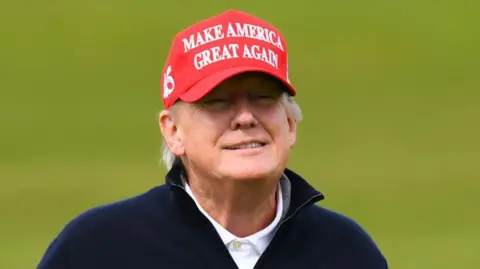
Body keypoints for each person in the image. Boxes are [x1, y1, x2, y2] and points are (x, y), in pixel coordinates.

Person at [37, 9, 388, 269]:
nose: (246, 117)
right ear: (173, 132)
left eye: (263, 97)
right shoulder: (98, 250)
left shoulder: (347, 253)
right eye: (217, 102)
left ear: (290, 124)